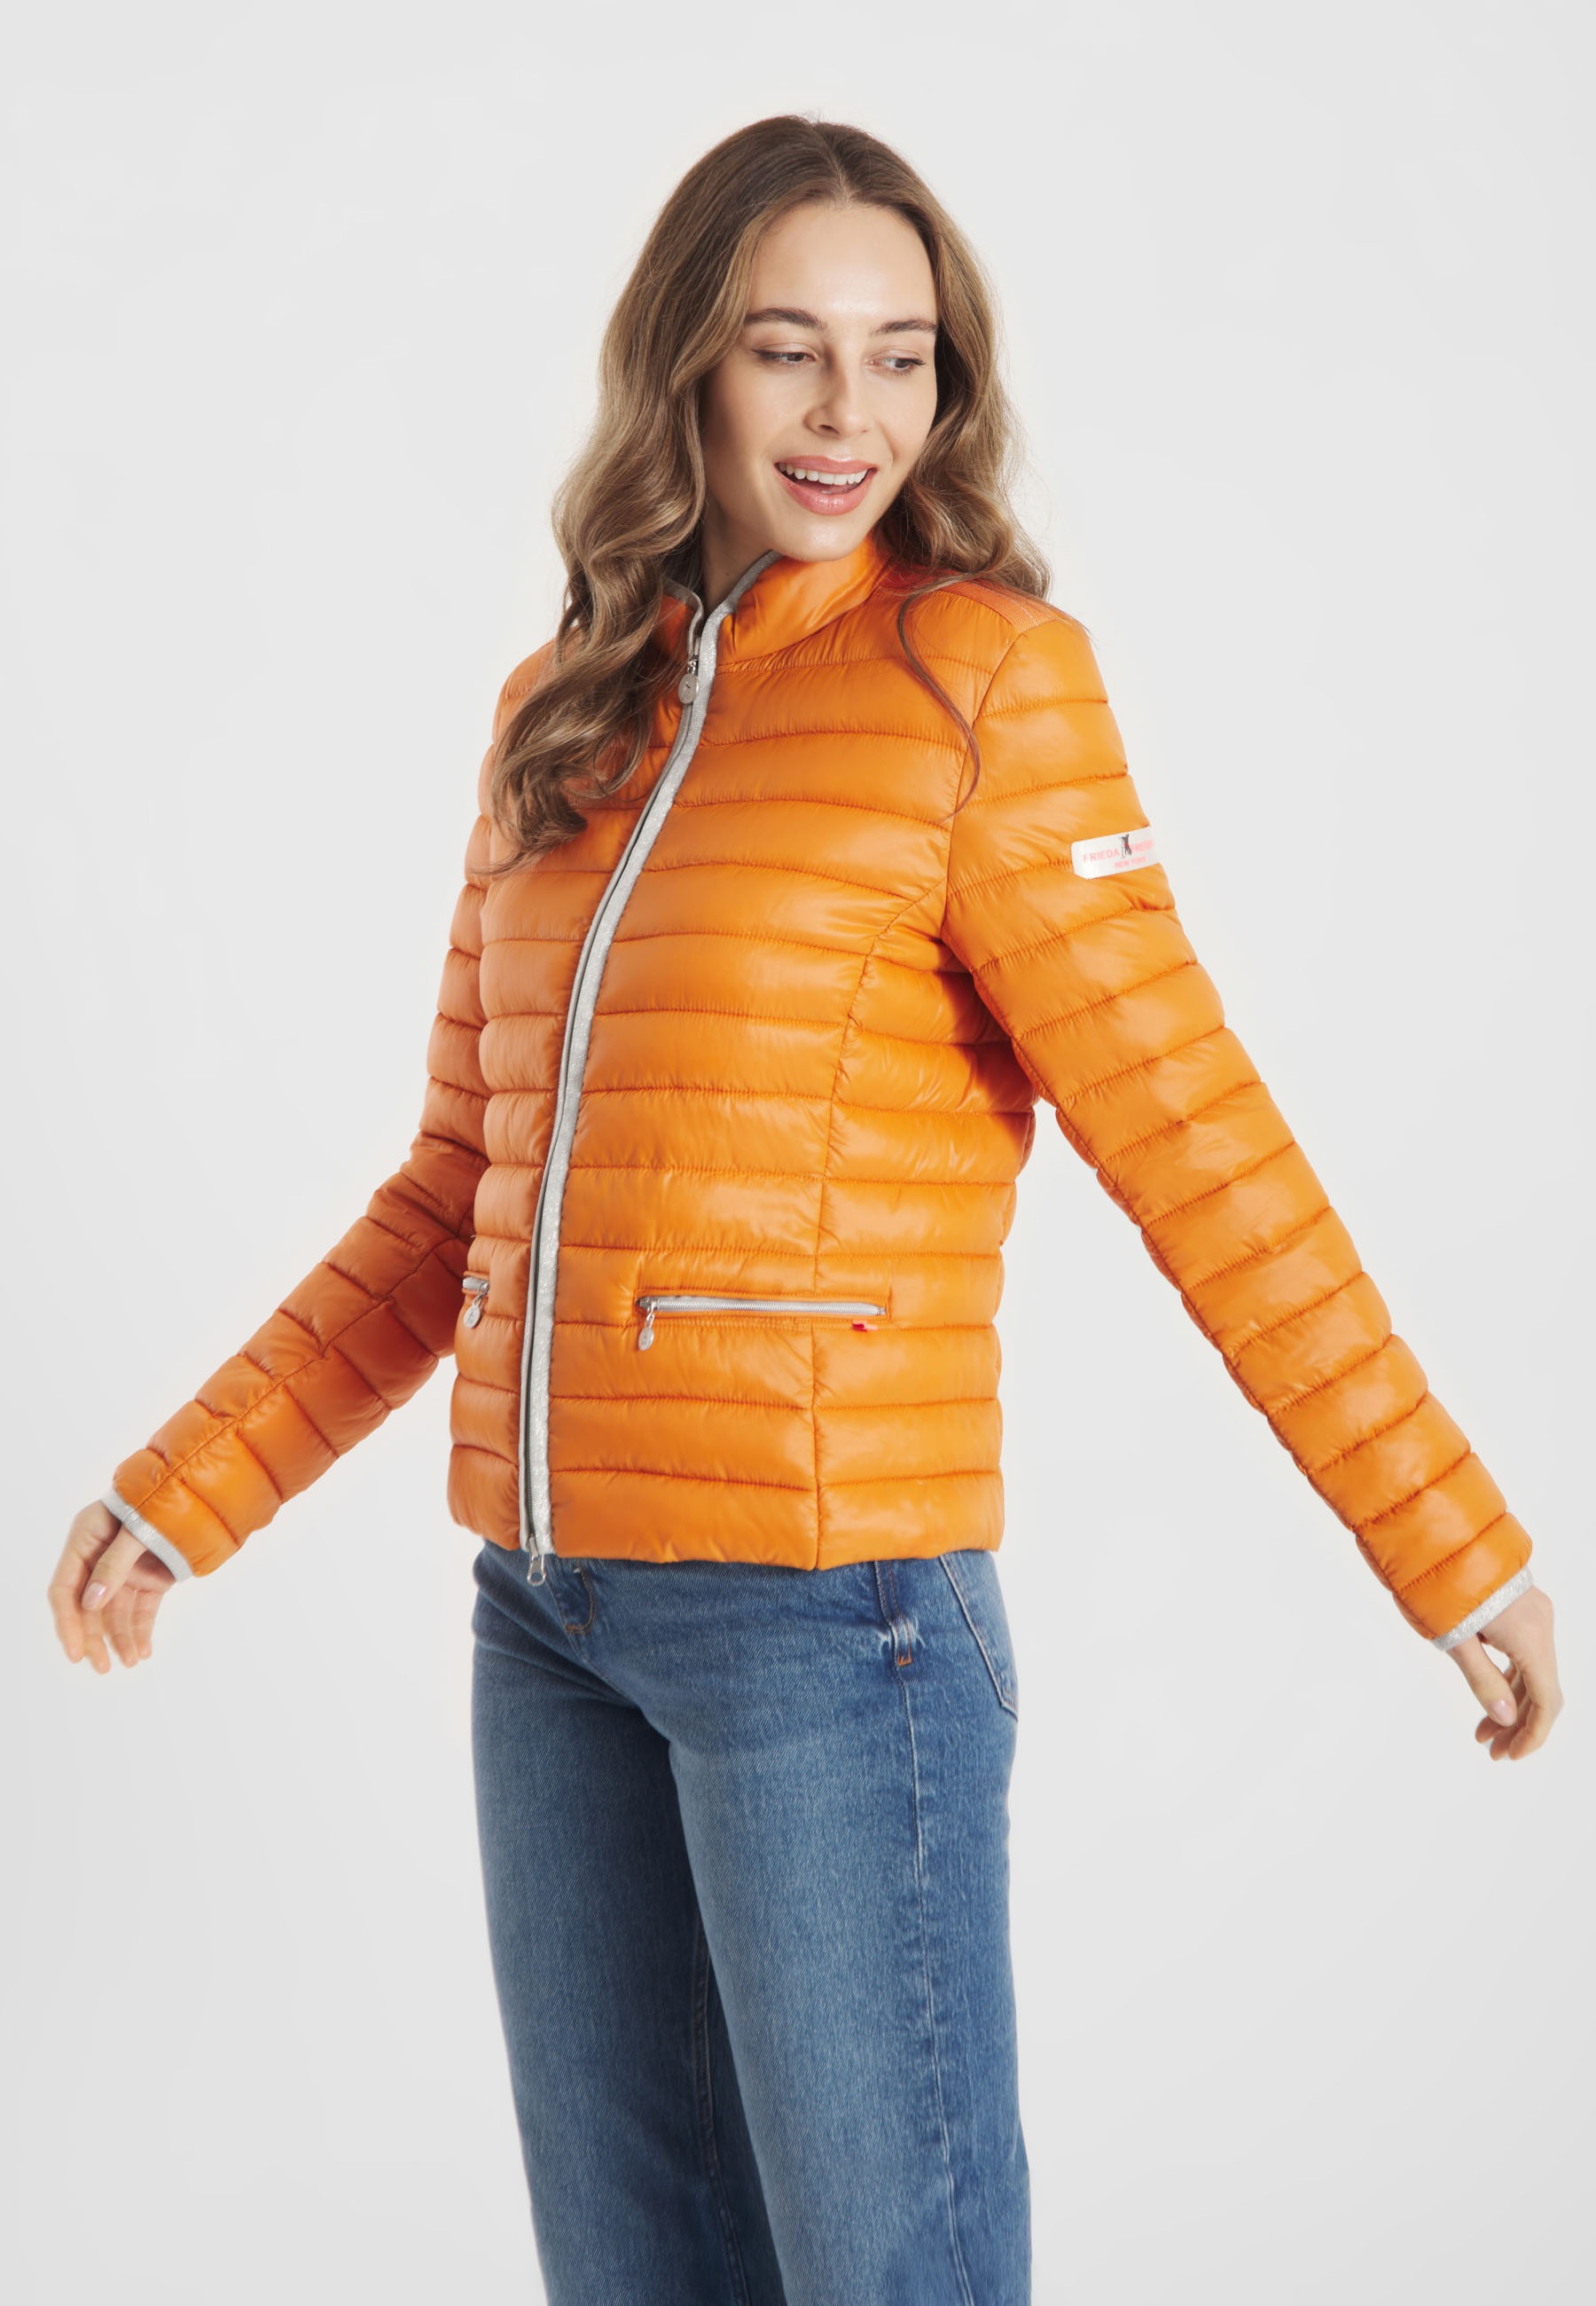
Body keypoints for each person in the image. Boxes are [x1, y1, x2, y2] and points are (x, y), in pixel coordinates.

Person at [48, 114, 1562, 2306]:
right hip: (547, 1619)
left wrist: (1451, 1538)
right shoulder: (561, 716)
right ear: (686, 363)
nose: (853, 412)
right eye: (789, 349)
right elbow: (463, 1185)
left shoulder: (982, 684)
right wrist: (189, 1487)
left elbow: (1196, 1135)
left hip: (832, 1625)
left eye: (902, 355)